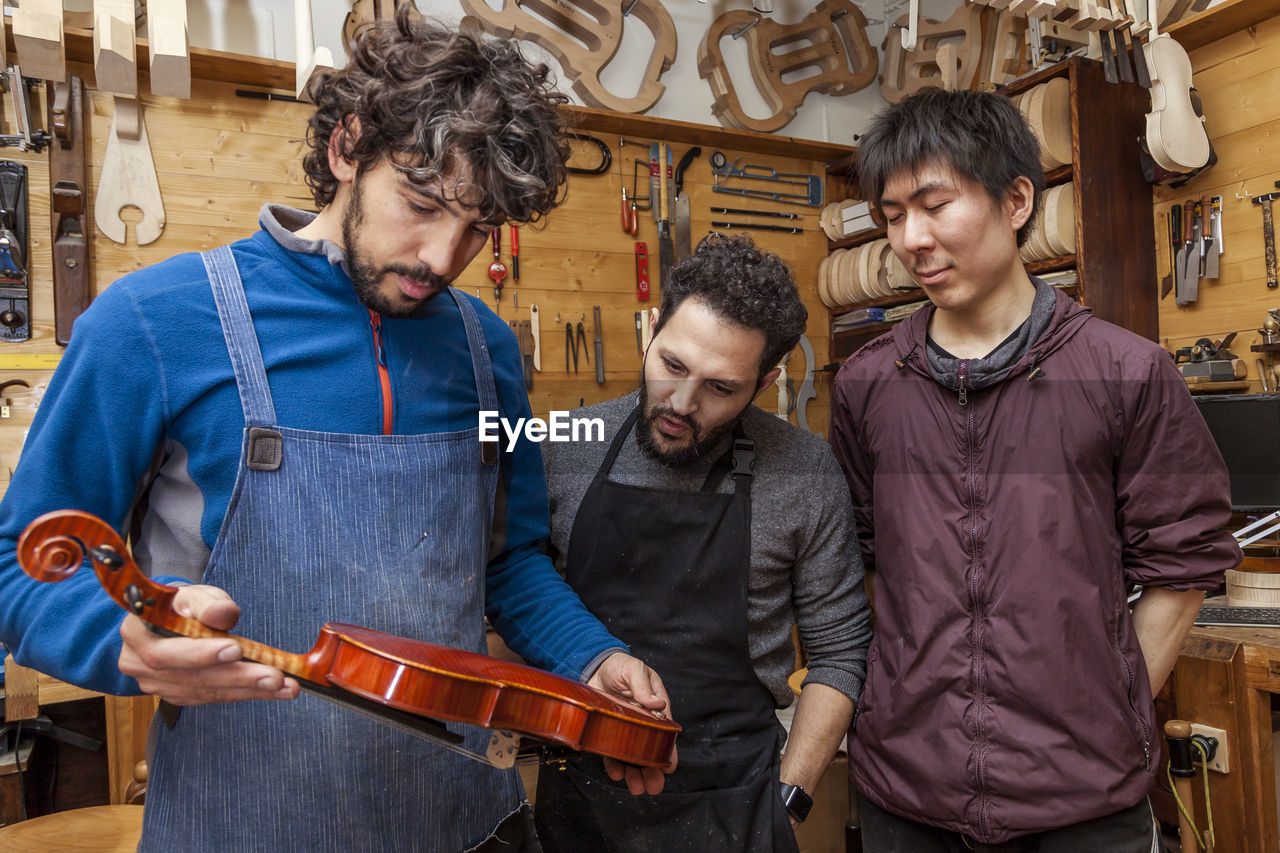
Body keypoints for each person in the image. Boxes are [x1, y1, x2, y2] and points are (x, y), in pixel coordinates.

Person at [0, 10, 672, 852]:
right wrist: (123, 645)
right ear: (346, 147)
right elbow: (17, 568)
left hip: (463, 820)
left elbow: (509, 560)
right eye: (421, 203)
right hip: (243, 823)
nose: (440, 255)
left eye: (478, 229)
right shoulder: (152, 322)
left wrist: (590, 658)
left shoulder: (488, 349)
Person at [828, 88, 1242, 850]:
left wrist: (1106, 712)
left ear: (1017, 199)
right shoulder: (867, 382)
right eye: (892, 214)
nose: (911, 238)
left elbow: (1183, 566)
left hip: (1084, 799)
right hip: (907, 789)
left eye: (935, 204)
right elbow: (866, 559)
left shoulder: (1126, 371)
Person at [532, 234, 873, 852]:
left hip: (740, 805)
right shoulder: (563, 445)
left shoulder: (803, 469)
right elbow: (523, 589)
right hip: (582, 793)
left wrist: (787, 801)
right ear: (652, 329)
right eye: (673, 366)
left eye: (721, 388)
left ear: (767, 380)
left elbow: (840, 655)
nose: (681, 404)